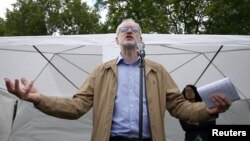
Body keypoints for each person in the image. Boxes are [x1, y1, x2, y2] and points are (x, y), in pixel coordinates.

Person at [4, 19, 231, 141]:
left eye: (134, 29)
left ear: (141, 38)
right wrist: (39, 99)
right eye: (124, 29)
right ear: (117, 39)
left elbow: (180, 107)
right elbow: (75, 107)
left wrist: (208, 110)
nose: (129, 30)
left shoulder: (157, 71)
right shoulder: (101, 72)